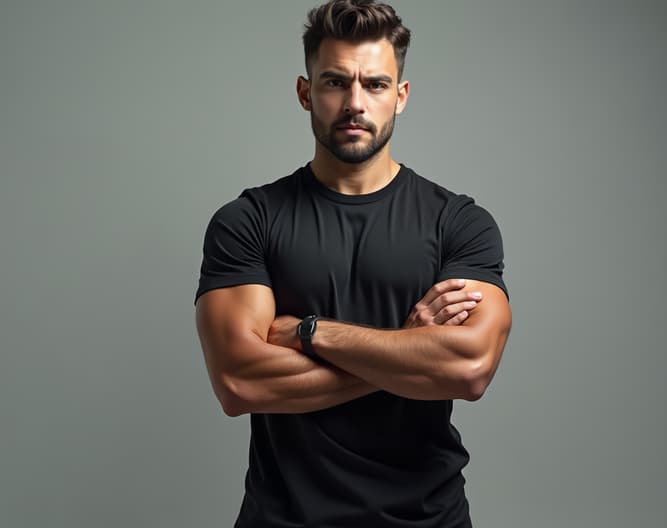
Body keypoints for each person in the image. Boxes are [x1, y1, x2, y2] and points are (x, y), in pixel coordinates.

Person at [194, 0, 512, 526]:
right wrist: (408, 348)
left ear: (401, 96)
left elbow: (468, 367)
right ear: (306, 92)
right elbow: (239, 383)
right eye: (335, 82)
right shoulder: (248, 220)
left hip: (427, 518)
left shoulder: (458, 223)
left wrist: (309, 332)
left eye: (376, 85)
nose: (354, 103)